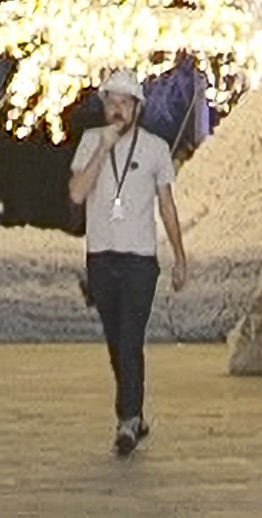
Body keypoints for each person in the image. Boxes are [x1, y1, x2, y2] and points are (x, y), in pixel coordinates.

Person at [66, 70, 189, 457]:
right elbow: (76, 193)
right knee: (115, 341)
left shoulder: (154, 148)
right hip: (101, 256)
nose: (117, 110)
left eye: (124, 103)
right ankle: (133, 411)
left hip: (140, 259)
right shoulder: (90, 142)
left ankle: (128, 419)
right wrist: (103, 150)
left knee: (130, 337)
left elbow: (167, 205)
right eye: (111, 102)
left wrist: (180, 257)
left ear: (138, 108)